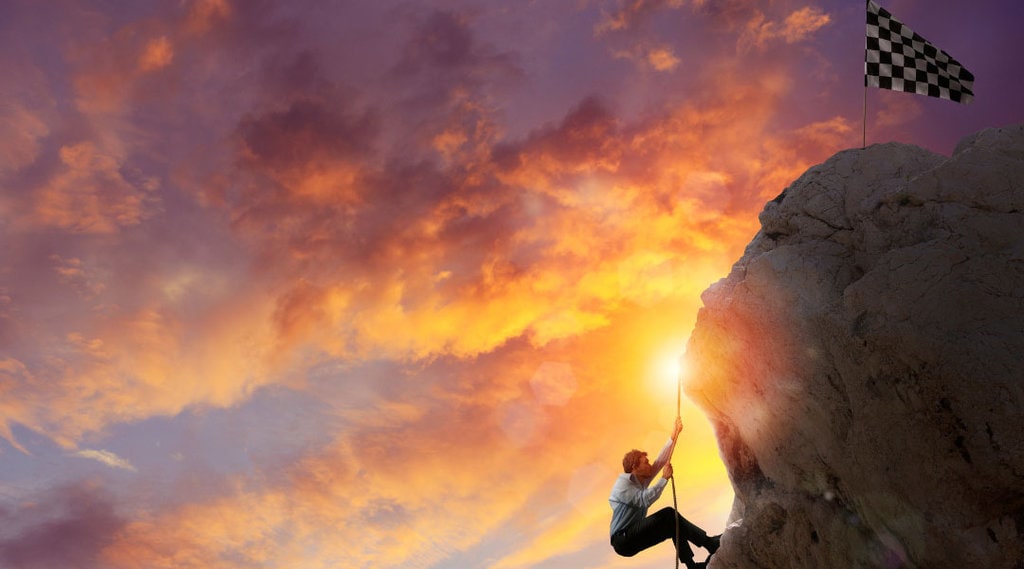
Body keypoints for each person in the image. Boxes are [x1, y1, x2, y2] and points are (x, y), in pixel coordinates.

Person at [609, 417, 720, 569]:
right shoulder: (622, 485)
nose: (649, 465)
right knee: (668, 514)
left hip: (632, 538)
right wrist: (664, 479)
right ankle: (709, 543)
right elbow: (644, 500)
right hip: (623, 540)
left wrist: (673, 437)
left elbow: (659, 462)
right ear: (635, 467)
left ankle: (692, 566)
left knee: (672, 525)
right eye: (645, 462)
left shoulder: (640, 479)